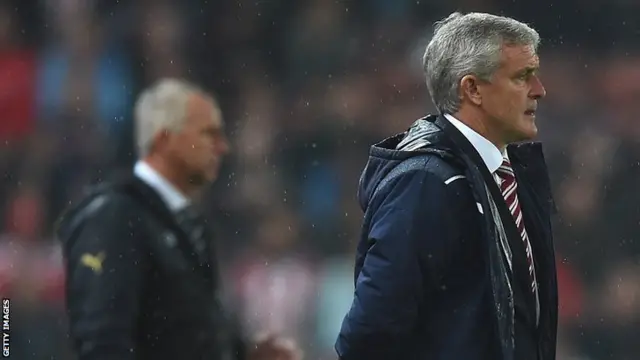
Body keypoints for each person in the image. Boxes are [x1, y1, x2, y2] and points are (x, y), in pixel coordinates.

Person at [335, 12, 558, 360]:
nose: (539, 90)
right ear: (472, 89)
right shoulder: (426, 182)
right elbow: (369, 336)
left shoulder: (508, 174)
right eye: (522, 76)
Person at [56, 79, 301, 360]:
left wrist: (242, 354)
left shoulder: (190, 226)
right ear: (164, 140)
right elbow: (102, 341)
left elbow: (183, 334)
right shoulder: (114, 216)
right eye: (208, 134)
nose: (222, 147)